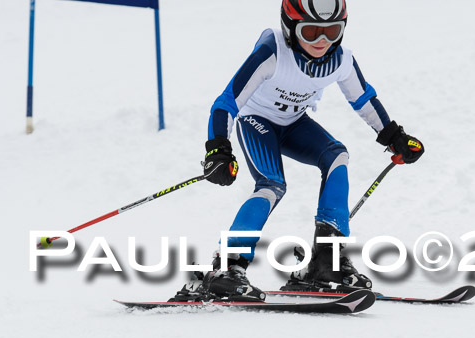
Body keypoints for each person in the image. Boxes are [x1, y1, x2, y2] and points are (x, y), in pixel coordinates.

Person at [171, 0, 424, 302]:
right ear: (290, 28)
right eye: (312, 31)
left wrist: (394, 136)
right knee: (272, 185)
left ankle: (326, 262)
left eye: (332, 31)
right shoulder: (273, 53)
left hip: (293, 123)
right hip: (257, 121)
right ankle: (226, 268)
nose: (322, 41)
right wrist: (218, 148)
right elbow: (226, 102)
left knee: (336, 156)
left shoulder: (340, 59)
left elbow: (363, 99)